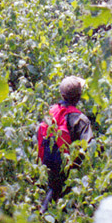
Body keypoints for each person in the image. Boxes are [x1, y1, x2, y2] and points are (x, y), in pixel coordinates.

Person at [38, 75, 94, 212]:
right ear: (79, 97)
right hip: (69, 165)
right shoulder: (81, 119)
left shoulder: (51, 112)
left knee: (52, 190)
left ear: (61, 95)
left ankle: (43, 215)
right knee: (61, 196)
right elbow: (89, 145)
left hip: (49, 161)